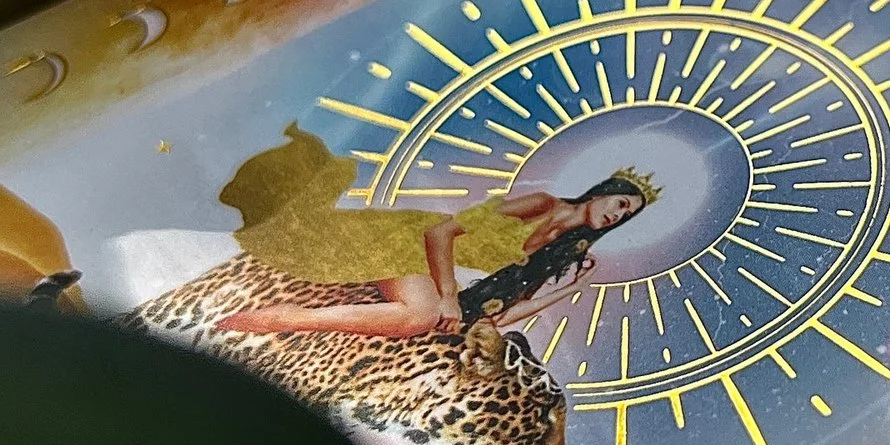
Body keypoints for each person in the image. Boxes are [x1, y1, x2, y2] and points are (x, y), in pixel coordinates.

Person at [210, 123, 654, 339]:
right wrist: (446, 294)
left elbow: (498, 316)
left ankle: (287, 320)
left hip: (418, 265)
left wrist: (574, 286)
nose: (618, 215)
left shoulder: (557, 254)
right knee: (422, 314)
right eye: (621, 203)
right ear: (603, 192)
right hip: (409, 240)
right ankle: (283, 319)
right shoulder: (542, 204)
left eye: (626, 216)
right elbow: (441, 231)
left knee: (422, 320)